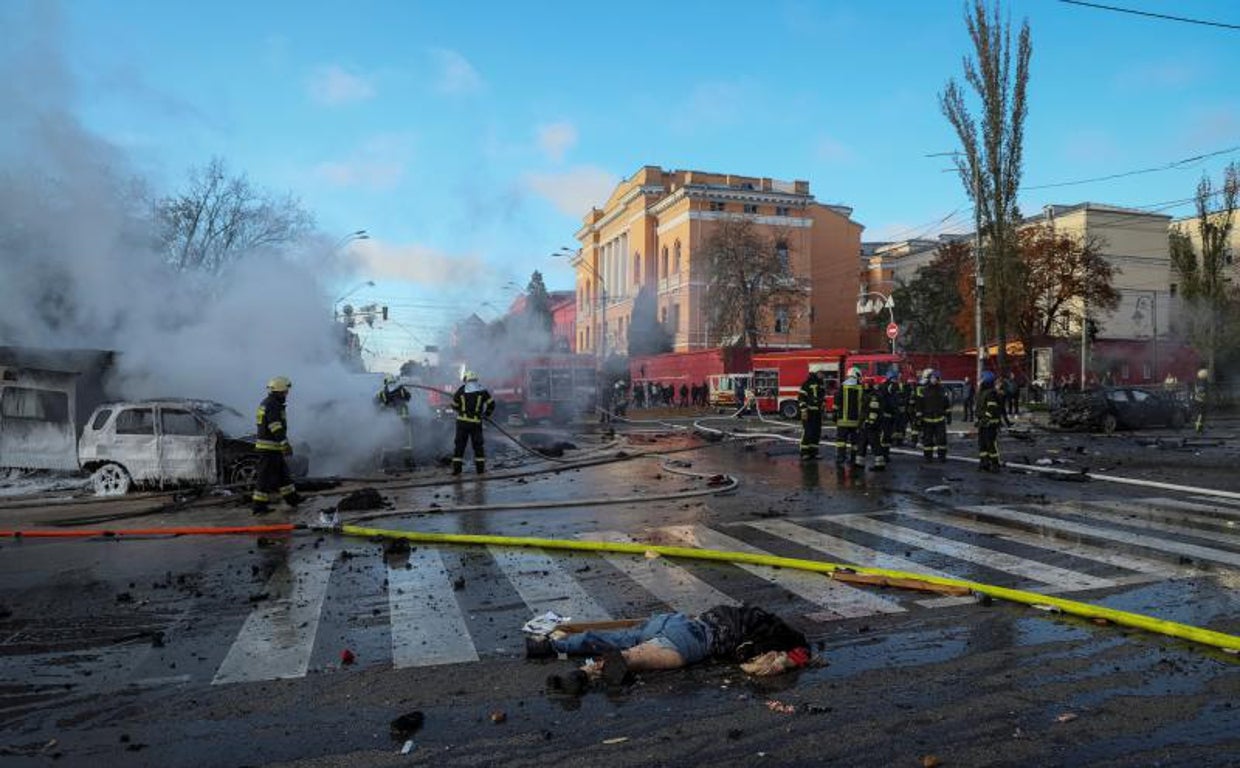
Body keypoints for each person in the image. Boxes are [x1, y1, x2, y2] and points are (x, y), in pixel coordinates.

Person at [527, 604, 811, 688]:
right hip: (692, 641)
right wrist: (786, 661)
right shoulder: (773, 639)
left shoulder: (753, 616)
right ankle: (579, 676)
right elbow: (800, 650)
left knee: (616, 638)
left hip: (674, 620)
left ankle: (547, 647)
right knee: (628, 657)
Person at [252, 376, 303, 515]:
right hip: (269, 448)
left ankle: (292, 499)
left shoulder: (269, 403)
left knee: (283, 475)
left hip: (272, 448)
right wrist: (284, 444)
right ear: (279, 391)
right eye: (285, 391)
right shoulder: (273, 405)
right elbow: (275, 426)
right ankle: (258, 507)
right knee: (264, 477)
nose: (287, 394)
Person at [451, 370, 495, 475]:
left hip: (462, 423)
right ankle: (480, 471)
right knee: (478, 446)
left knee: (460, 446)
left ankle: (457, 471)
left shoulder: (461, 390)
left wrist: (461, 410)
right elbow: (492, 404)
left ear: (466, 379)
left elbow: (453, 405)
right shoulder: (482, 390)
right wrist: (486, 414)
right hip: (476, 423)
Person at [833, 366, 864, 467]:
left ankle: (841, 457)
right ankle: (853, 458)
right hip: (856, 421)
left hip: (843, 420)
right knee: (855, 441)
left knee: (841, 440)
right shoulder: (860, 387)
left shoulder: (843, 386)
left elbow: (837, 401)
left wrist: (834, 413)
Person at [919, 370, 951, 463]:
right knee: (927, 440)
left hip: (939, 419)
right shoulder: (924, 390)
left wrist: (948, 415)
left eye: (936, 378)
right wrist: (919, 416)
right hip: (927, 419)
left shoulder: (942, 390)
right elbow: (920, 404)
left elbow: (947, 404)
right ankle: (928, 457)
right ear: (929, 379)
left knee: (941, 440)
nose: (934, 380)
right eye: (932, 378)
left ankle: (942, 457)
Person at [976, 370, 1003, 473]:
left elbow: (991, 407)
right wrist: (979, 419)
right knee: (982, 443)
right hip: (983, 422)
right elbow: (980, 408)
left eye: (981, 379)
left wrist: (986, 418)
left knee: (990, 443)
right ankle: (984, 463)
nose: (979, 381)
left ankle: (995, 464)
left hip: (990, 423)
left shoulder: (991, 393)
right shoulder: (982, 392)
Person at [797, 370, 825, 461]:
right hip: (809, 412)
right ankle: (805, 452)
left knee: (816, 432)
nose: (822, 375)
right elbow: (801, 398)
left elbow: (822, 397)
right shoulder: (806, 384)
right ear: (815, 373)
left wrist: (823, 408)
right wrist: (804, 410)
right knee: (808, 432)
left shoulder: (821, 384)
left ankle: (814, 452)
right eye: (820, 373)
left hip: (817, 413)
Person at [1192, 368, 1210, 433]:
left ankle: (1199, 429)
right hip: (1202, 401)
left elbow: (1195, 391)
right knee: (1201, 416)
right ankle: (1199, 429)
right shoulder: (1204, 383)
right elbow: (1205, 392)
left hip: (1197, 400)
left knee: (1199, 415)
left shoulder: (1197, 382)